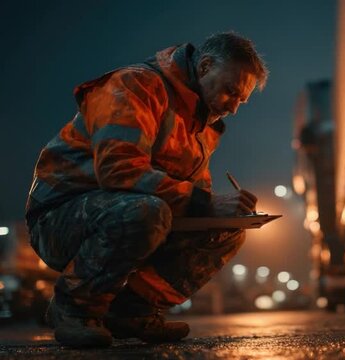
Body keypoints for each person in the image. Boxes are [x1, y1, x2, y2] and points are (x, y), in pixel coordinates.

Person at [25, 32, 268, 348]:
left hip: (129, 213)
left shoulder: (200, 125)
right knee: (145, 211)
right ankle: (74, 308)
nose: (233, 107)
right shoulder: (135, 86)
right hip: (59, 218)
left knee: (226, 230)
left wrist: (221, 211)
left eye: (241, 100)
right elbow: (119, 170)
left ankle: (132, 311)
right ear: (206, 66)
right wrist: (206, 203)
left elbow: (193, 194)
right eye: (230, 91)